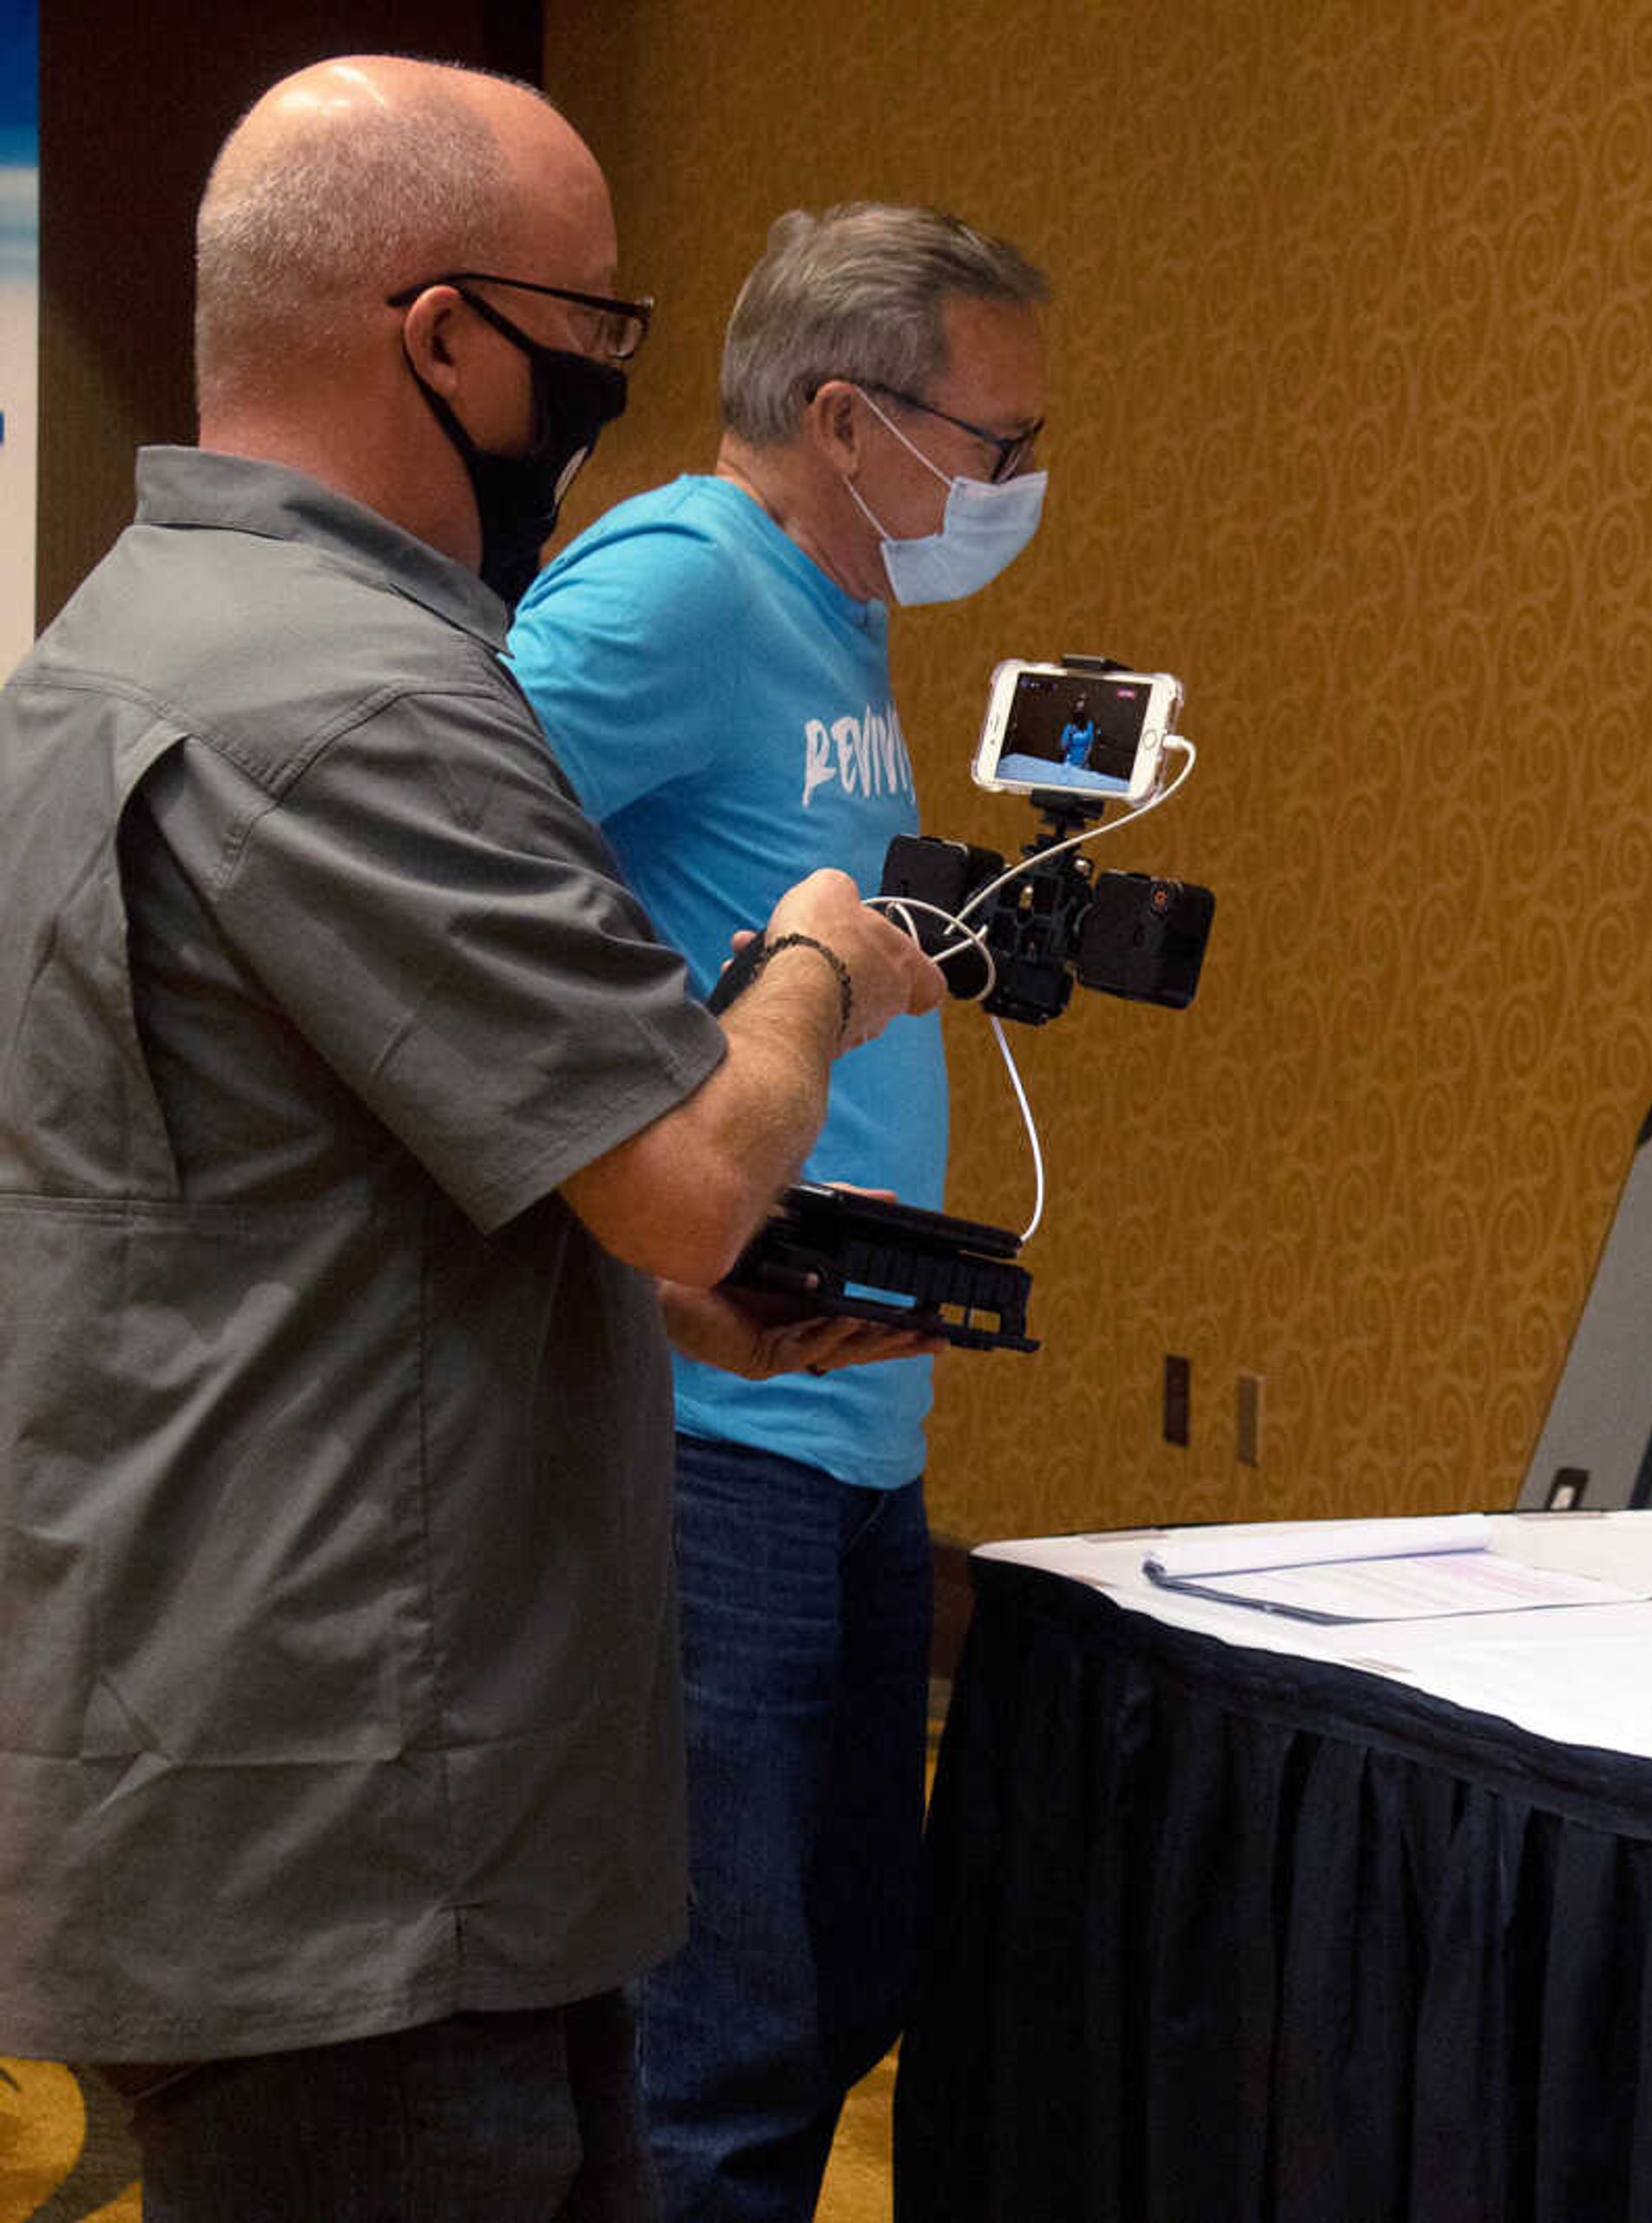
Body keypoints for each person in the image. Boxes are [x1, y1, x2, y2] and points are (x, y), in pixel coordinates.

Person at [0, 58, 946, 2220]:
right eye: (595, 334)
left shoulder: (109, 649)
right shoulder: (365, 696)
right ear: (444, 336)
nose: (608, 394)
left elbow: (276, 1173)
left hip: (252, 1757)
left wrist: (667, 1289)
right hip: (368, 1840)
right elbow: (696, 1166)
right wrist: (809, 954)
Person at [506, 202, 1050, 2221]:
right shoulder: (671, 582)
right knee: (712, 2051)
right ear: (846, 417)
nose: (1017, 487)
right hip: (698, 1438)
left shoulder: (835, 616)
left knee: (839, 1977)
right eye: (995, 444)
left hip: (830, 1400)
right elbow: (436, 873)